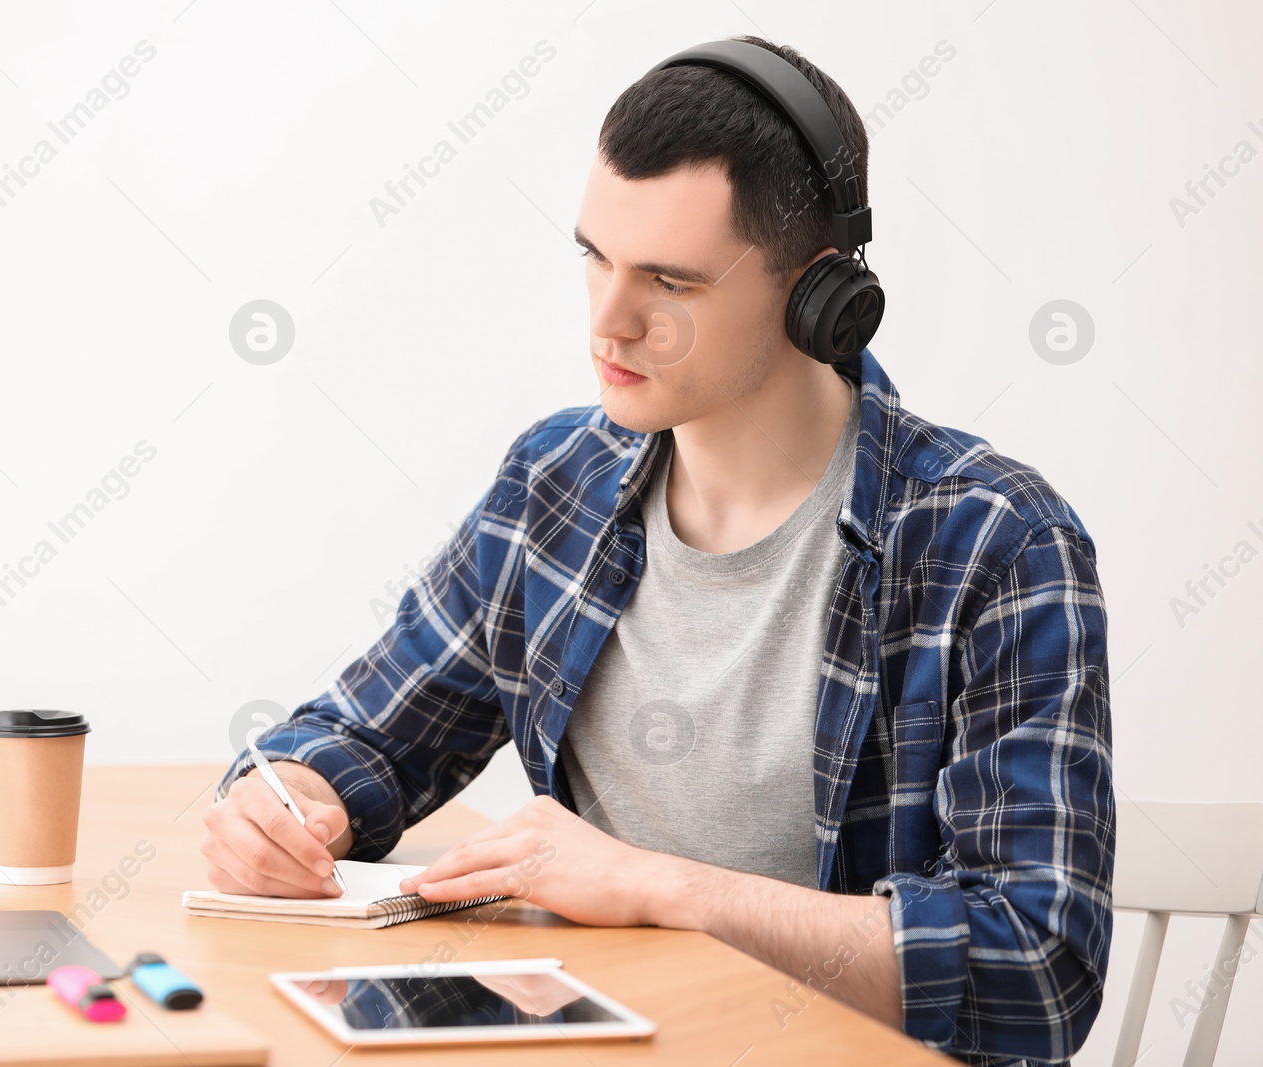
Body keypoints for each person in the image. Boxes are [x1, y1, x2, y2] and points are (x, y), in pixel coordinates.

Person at [201, 34, 1113, 1067]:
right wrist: (285, 802)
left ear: (819, 296)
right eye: (594, 256)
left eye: (669, 282)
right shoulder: (557, 484)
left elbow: (1039, 967)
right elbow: (363, 735)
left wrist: (657, 884)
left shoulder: (994, 540)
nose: (608, 321)